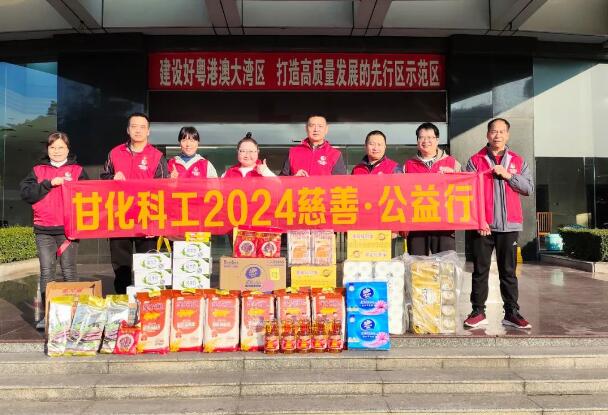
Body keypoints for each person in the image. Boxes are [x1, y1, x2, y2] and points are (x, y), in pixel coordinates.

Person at [463, 118, 534, 329]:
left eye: (502, 131)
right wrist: (479, 220)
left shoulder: (518, 161)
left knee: (508, 272)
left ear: (507, 135)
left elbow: (528, 188)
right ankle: (477, 311)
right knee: (480, 271)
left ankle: (512, 313)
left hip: (509, 225)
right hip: (482, 227)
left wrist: (509, 175)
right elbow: (468, 194)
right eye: (494, 131)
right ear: (487, 134)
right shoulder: (475, 160)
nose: (498, 135)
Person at [20, 132, 89, 329]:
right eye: (52, 147)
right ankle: (48, 315)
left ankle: (75, 315)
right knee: (46, 272)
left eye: (60, 147)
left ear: (68, 149)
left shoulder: (77, 170)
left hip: (68, 230)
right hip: (43, 229)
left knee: (69, 270)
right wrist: (48, 184)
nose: (56, 151)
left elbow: (90, 197)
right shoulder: (37, 170)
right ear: (47, 149)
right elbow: (26, 194)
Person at [100, 113, 168, 294]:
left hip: (147, 217)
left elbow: (163, 189)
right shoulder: (114, 153)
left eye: (142, 127)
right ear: (128, 130)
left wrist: (157, 222)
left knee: (148, 265)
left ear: (148, 131)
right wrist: (112, 178)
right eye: (134, 126)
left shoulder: (157, 156)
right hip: (119, 216)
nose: (138, 130)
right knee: (121, 265)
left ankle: (148, 303)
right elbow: (103, 178)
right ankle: (123, 301)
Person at [403, 122, 461, 255]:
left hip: (444, 223)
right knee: (417, 262)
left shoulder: (452, 163)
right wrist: (403, 224)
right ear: (417, 141)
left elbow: (463, 190)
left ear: (437, 140)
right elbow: (403, 195)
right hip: (417, 222)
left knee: (445, 262)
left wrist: (453, 176)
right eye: (422, 137)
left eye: (430, 137)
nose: (426, 141)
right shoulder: (408, 165)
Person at [280, 115, 347, 176]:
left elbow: (340, 182)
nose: (316, 130)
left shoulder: (335, 154)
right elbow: (282, 180)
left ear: (326, 129)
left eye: (320, 126)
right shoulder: (293, 152)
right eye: (312, 126)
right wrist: (294, 178)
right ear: (306, 128)